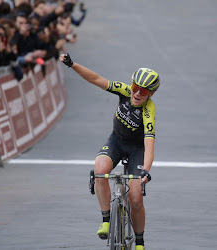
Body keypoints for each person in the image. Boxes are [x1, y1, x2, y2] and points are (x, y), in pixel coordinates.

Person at [59, 53, 160, 250]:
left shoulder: (149, 111)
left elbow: (149, 145)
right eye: (135, 87)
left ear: (151, 94)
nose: (137, 93)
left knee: (136, 197)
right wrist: (72, 65)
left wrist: (146, 170)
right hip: (117, 141)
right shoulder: (124, 90)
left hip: (136, 150)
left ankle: (139, 241)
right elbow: (95, 79)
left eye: (144, 91)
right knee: (100, 169)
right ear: (131, 85)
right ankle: (105, 219)